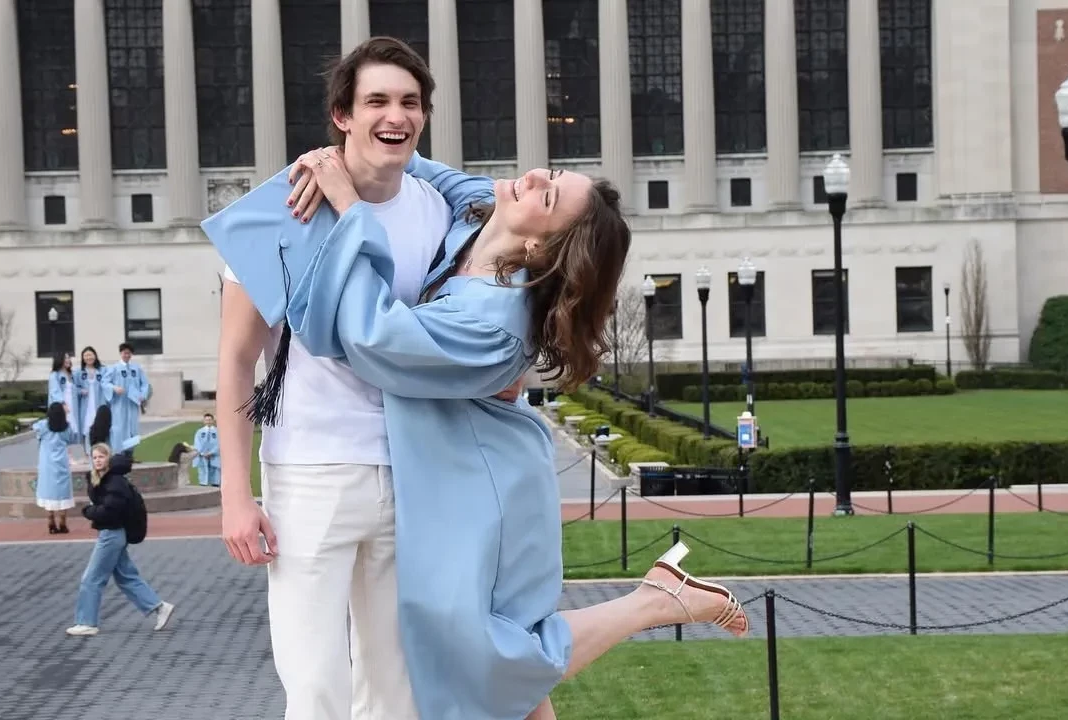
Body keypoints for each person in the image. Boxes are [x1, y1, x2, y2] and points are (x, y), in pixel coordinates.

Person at [207, 144, 750, 720]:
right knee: (475, 664)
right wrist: (343, 152)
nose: (532, 175)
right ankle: (658, 596)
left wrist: (348, 205)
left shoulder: (497, 321)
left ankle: (655, 602)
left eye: (547, 194)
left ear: (541, 247)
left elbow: (373, 337)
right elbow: (409, 158)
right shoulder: (480, 212)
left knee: (483, 653)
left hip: (480, 482)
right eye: (551, 173)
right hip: (441, 465)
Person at [211, 37, 453, 719]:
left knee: (397, 687)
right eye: (377, 101)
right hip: (310, 473)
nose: (395, 116)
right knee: (316, 686)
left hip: (410, 470)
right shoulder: (279, 209)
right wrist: (235, 495)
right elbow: (235, 358)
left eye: (410, 102)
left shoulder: (435, 211)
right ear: (342, 116)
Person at [66, 443, 175, 637]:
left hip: (112, 534)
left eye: (101, 457)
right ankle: (159, 607)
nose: (97, 460)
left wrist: (88, 511)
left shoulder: (114, 481)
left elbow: (110, 510)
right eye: (94, 457)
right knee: (126, 577)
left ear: (108, 458)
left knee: (92, 578)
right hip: (112, 534)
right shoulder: (105, 479)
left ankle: (86, 622)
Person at [34, 402, 74, 534]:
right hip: (62, 463)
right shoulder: (67, 427)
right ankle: (63, 523)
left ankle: (51, 521)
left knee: (48, 492)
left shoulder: (43, 425)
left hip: (47, 464)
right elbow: (71, 439)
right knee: (63, 493)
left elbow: (35, 429)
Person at [107, 342, 149, 456]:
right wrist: (114, 388)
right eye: (125, 353)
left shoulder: (136, 368)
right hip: (119, 404)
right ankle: (119, 454)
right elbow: (105, 382)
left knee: (132, 428)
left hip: (132, 404)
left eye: (129, 353)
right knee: (119, 428)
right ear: (121, 353)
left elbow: (145, 383)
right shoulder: (114, 368)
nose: (127, 355)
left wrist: (142, 394)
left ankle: (130, 455)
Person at [75, 346, 112, 443]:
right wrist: (80, 391)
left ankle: (101, 450)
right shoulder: (78, 372)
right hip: (86, 406)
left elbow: (109, 384)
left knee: (101, 428)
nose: (88, 357)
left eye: (90, 355)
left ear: (95, 356)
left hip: (100, 404)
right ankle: (87, 450)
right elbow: (73, 388)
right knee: (86, 430)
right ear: (83, 358)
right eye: (86, 355)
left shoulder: (103, 370)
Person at [47, 352, 79, 442]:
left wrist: (81, 391)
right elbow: (55, 391)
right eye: (65, 358)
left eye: (69, 358)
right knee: (62, 428)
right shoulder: (55, 375)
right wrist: (63, 404)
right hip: (62, 405)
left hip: (72, 404)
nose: (68, 360)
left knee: (71, 428)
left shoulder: (71, 374)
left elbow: (73, 389)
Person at [191, 413, 221, 486]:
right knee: (203, 472)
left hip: (214, 456)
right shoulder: (199, 432)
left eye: (210, 420)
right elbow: (197, 443)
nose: (208, 422)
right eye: (206, 420)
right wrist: (202, 453)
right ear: (204, 421)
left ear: (213, 420)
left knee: (215, 474)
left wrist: (211, 452)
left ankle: (215, 486)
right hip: (202, 457)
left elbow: (219, 443)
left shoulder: (218, 431)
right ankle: (203, 486)